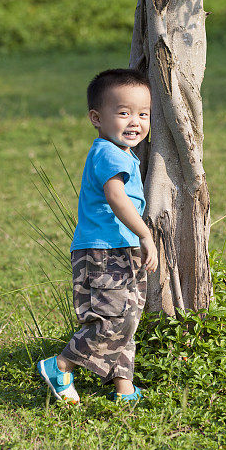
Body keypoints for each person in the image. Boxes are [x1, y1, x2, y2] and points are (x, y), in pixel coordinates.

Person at [37, 68, 159, 404]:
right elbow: (116, 197)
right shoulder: (107, 152)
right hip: (103, 252)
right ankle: (60, 364)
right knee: (111, 321)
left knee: (127, 320)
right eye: (123, 113)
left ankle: (124, 389)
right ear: (97, 117)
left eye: (143, 114)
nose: (135, 121)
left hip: (122, 247)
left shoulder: (123, 154)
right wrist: (145, 234)